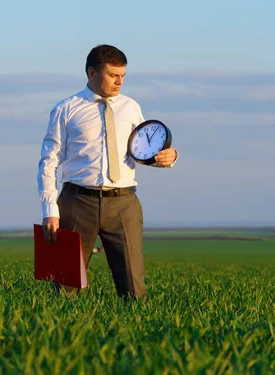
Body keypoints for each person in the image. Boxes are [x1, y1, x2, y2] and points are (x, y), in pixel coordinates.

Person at [37, 45, 179, 299]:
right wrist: (50, 210)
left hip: (124, 203)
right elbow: (48, 162)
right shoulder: (66, 109)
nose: (119, 81)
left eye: (123, 75)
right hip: (76, 203)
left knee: (134, 290)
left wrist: (168, 158)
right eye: (113, 74)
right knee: (65, 289)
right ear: (91, 73)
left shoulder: (131, 107)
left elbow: (143, 152)